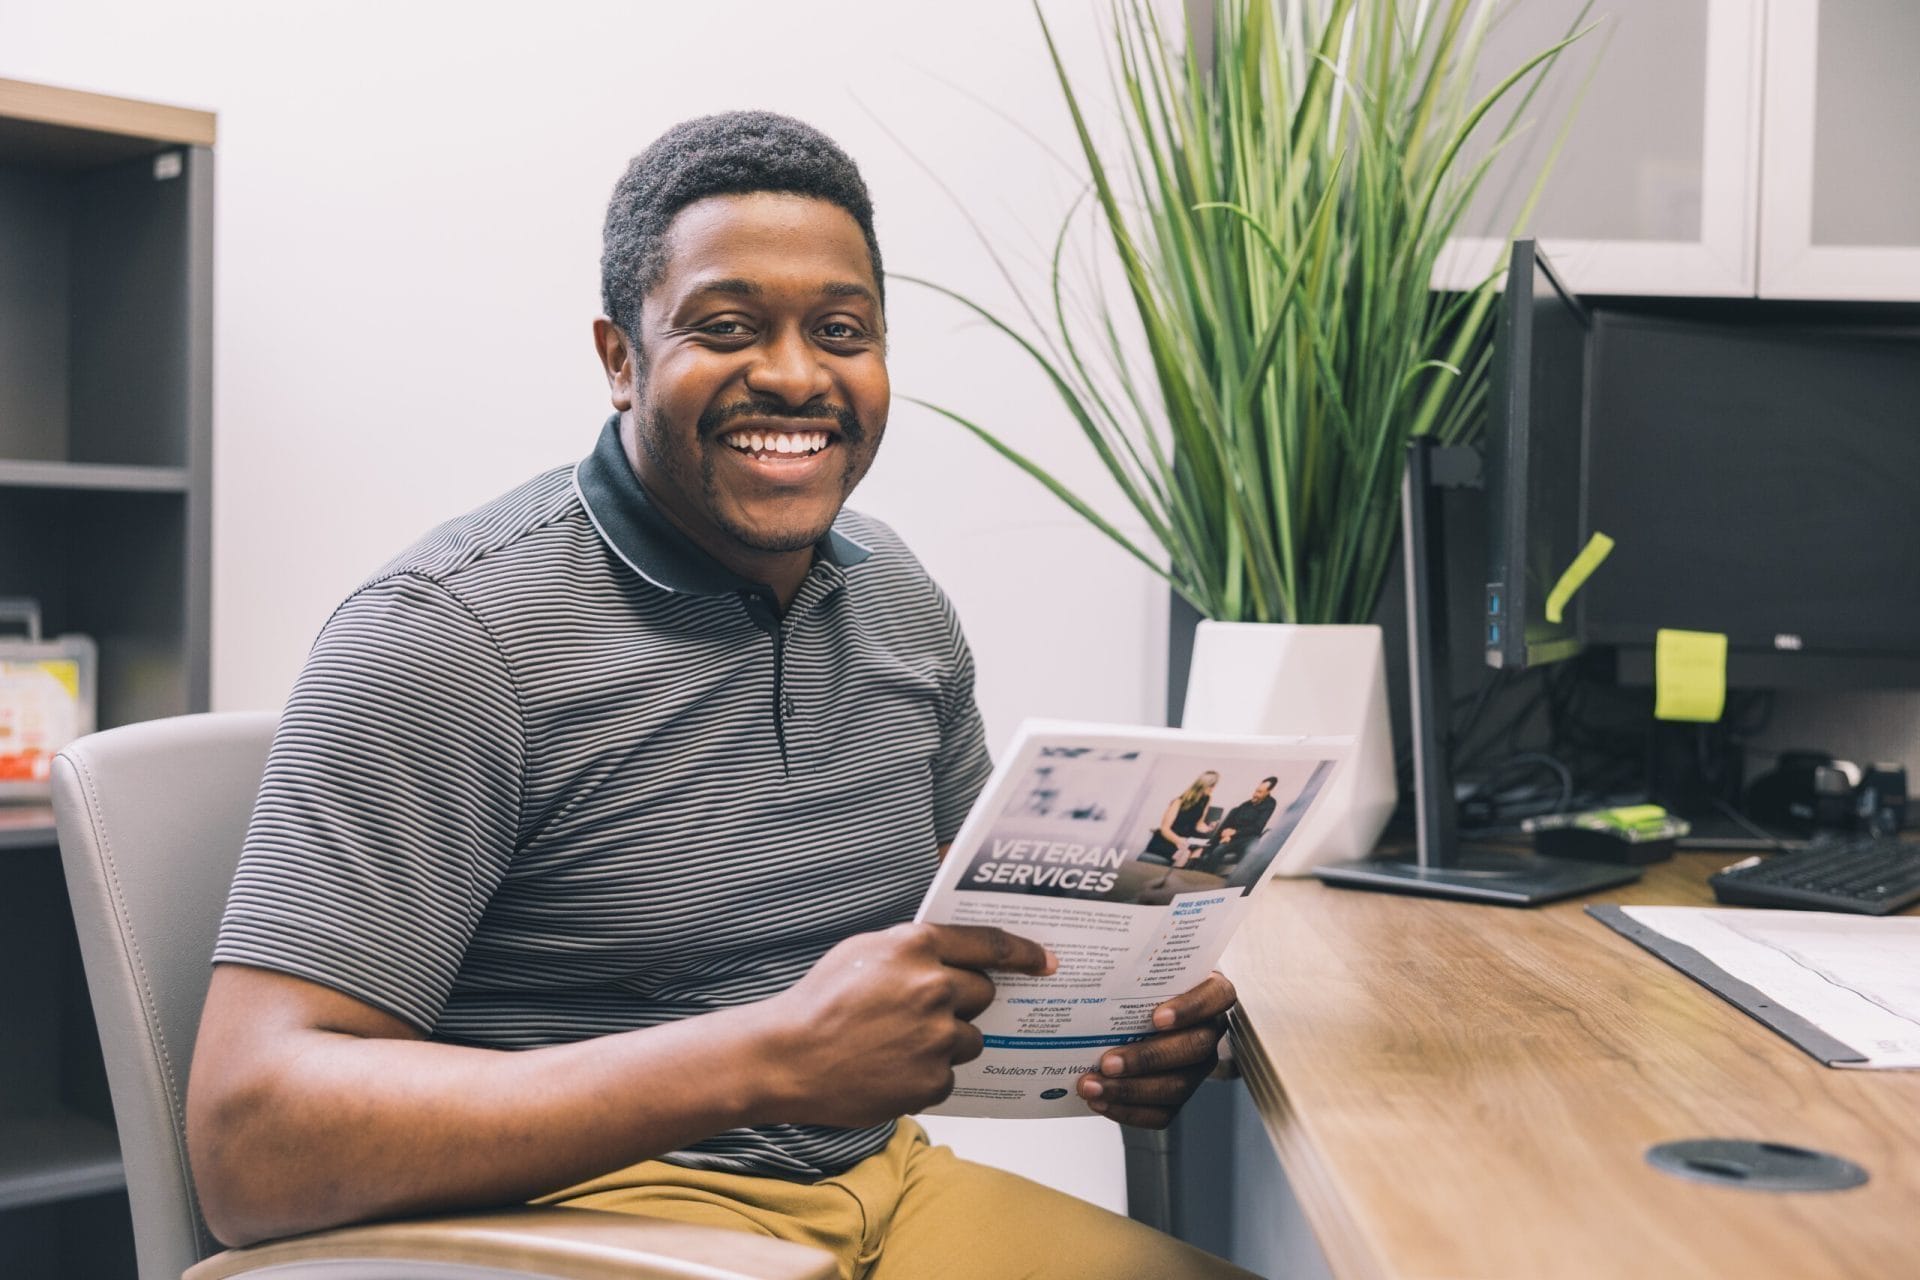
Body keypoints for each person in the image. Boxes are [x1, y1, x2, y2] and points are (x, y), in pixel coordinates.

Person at [185, 112, 1254, 1280]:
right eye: (727, 326)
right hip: (562, 1221)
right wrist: (762, 1057)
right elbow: (250, 1146)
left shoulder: (897, 598)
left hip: (879, 1188)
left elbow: (981, 946)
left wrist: (1120, 1023)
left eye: (841, 330)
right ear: (619, 356)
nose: (796, 374)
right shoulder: (449, 635)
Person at [1192, 777, 1278, 874]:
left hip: (1249, 837)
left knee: (1250, 850)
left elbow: (1257, 828)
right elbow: (1227, 825)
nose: (1255, 794)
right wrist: (1225, 836)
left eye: (1260, 792)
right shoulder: (1245, 805)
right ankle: (1205, 873)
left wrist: (1234, 833)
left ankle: (1237, 880)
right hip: (1234, 837)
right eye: (1256, 790)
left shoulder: (1270, 804)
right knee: (1218, 850)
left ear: (1268, 792)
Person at [1143, 771, 1219, 865]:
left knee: (1199, 852)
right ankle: (1171, 876)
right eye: (1211, 786)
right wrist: (1178, 841)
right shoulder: (1178, 801)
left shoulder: (1207, 799)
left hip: (1187, 838)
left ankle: (1183, 877)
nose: (1213, 789)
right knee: (1185, 853)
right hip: (1168, 838)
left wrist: (1209, 828)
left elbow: (1199, 824)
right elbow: (1165, 828)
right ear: (1202, 785)